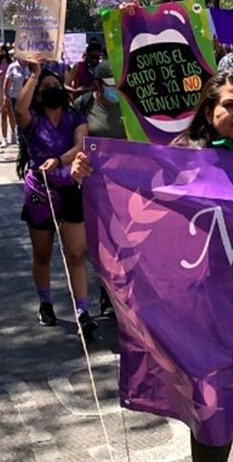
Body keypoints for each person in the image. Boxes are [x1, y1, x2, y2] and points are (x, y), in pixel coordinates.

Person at [72, 69, 233, 462]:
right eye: (230, 105)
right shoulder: (183, 156)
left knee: (230, 405)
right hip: (197, 307)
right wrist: (91, 177)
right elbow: (137, 201)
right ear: (210, 111)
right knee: (211, 406)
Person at [14, 56, 95, 339]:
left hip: (71, 186)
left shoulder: (76, 117)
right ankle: (45, 302)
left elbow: (81, 145)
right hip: (40, 191)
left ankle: (83, 312)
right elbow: (18, 107)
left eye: (55, 85)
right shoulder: (31, 119)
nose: (52, 90)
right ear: (38, 94)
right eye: (45, 87)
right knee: (43, 253)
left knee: (75, 253)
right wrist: (34, 75)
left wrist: (60, 162)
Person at [73, 58, 127, 317]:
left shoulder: (129, 104)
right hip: (96, 187)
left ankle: (122, 293)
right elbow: (73, 142)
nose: (115, 90)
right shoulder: (83, 106)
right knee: (104, 244)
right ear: (97, 85)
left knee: (124, 243)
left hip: (127, 186)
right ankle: (107, 292)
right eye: (110, 85)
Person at [5, 52, 28, 146]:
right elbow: (7, 83)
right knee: (18, 118)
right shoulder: (12, 67)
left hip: (28, 97)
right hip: (16, 97)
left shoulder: (31, 66)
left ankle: (26, 137)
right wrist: (5, 96)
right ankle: (21, 138)